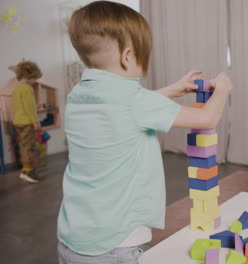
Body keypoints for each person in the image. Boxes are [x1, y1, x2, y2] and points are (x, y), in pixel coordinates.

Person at [57, 1, 232, 263]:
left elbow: (123, 111)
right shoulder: (137, 101)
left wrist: (170, 90)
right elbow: (208, 118)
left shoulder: (77, 95)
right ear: (128, 56)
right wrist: (223, 90)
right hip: (117, 243)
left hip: (73, 237)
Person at [11, 60, 42, 183]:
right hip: (27, 122)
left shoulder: (17, 88)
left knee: (24, 145)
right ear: (29, 75)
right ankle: (27, 170)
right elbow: (29, 108)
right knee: (29, 146)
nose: (35, 81)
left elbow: (21, 106)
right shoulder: (27, 89)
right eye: (34, 78)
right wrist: (36, 122)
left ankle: (25, 169)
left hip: (18, 121)